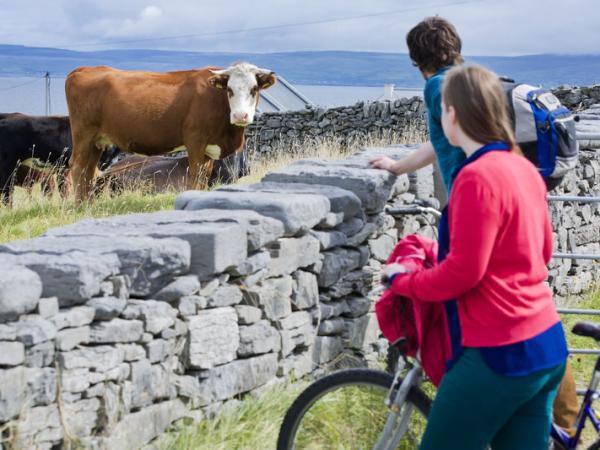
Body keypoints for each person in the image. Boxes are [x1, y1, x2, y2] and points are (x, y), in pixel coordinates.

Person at [371, 15, 579, 436]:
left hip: (500, 352)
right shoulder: (520, 168)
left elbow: (463, 274)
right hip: (547, 345)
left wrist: (403, 280)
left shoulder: (476, 178)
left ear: (451, 113)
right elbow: (541, 255)